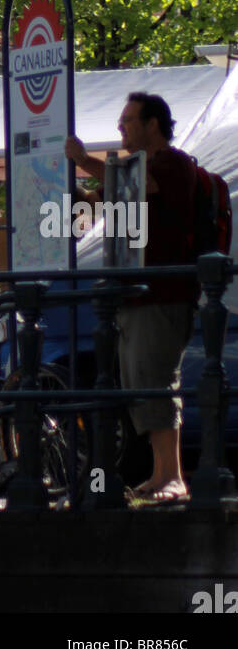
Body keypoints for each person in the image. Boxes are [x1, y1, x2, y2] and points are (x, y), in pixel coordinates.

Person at [65, 92, 197, 503]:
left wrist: (85, 161)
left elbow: (136, 187)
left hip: (162, 294)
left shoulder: (170, 164)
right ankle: (161, 474)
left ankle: (173, 477)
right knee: (142, 382)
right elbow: (105, 205)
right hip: (139, 295)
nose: (121, 128)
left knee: (156, 380)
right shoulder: (138, 172)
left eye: (128, 121)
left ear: (152, 124)